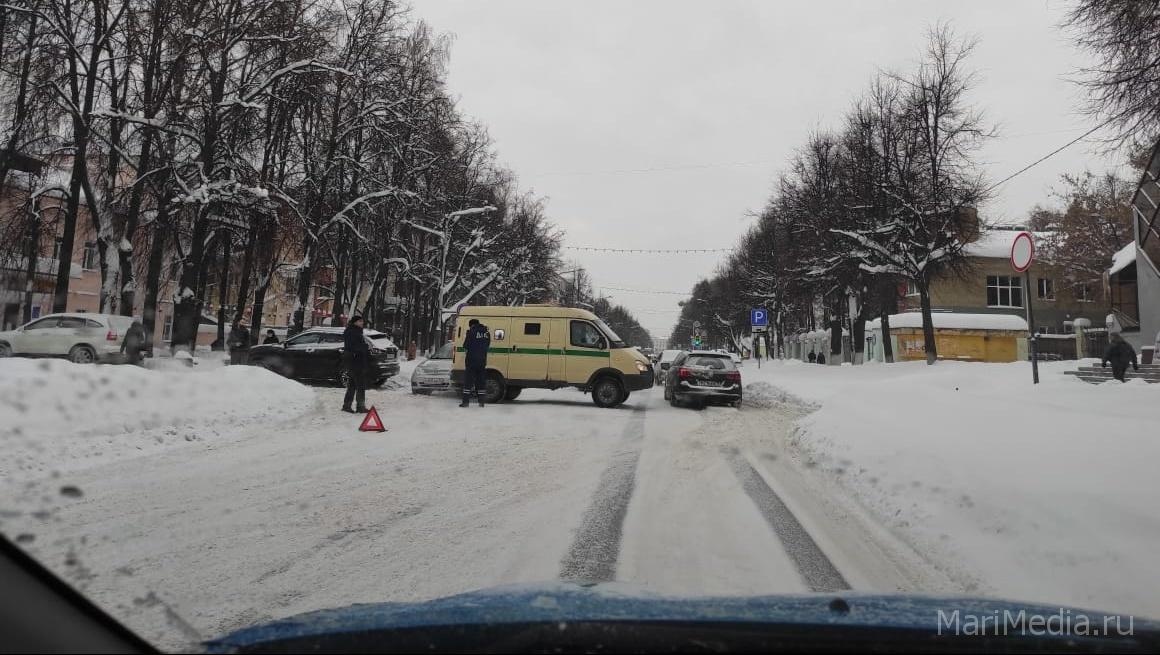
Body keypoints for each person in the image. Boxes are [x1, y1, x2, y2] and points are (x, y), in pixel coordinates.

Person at [342, 315, 371, 413]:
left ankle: (347, 405)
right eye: (360, 321)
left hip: (354, 360)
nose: (362, 323)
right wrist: (365, 347)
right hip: (355, 361)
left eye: (362, 321)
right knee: (360, 385)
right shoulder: (352, 332)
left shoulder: (354, 331)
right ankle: (360, 406)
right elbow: (353, 347)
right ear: (355, 322)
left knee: (352, 384)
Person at [460, 318, 490, 408]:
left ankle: (465, 402)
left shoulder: (471, 332)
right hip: (482, 361)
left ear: (472, 325)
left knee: (468, 381)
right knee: (481, 381)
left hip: (471, 360)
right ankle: (481, 402)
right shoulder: (487, 333)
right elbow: (487, 345)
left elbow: (465, 345)